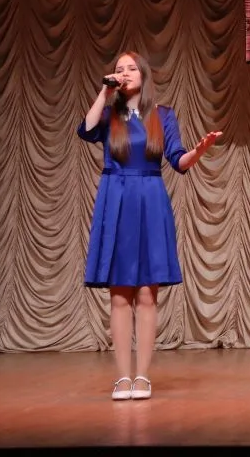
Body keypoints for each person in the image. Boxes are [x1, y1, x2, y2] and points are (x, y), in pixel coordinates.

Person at [77, 51, 221, 401]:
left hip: (150, 199)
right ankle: (122, 378)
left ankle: (142, 377)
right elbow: (86, 130)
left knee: (145, 293)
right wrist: (104, 92)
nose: (124, 73)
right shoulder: (109, 114)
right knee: (119, 293)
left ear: (143, 75)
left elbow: (179, 160)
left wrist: (199, 151)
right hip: (116, 198)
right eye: (119, 69)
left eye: (131, 68)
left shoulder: (163, 115)